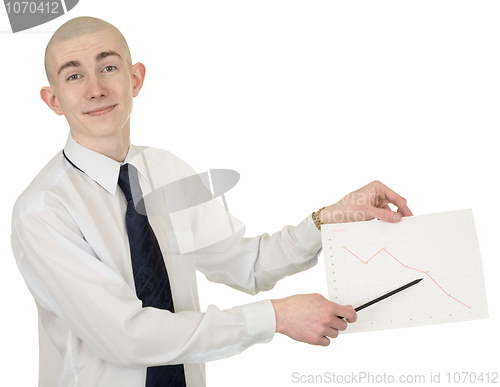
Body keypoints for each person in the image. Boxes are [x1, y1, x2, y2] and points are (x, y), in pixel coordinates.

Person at [11, 16, 412, 387]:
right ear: (53, 100)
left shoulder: (166, 170)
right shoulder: (43, 211)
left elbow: (247, 265)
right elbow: (127, 338)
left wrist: (329, 218)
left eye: (109, 67)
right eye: (74, 75)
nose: (95, 87)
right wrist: (275, 317)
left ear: (136, 79)